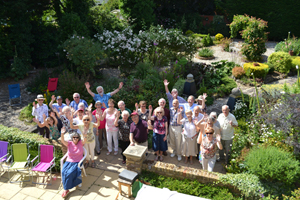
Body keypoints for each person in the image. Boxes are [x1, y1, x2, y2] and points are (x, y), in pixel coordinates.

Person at [60, 131, 87, 198]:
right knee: (63, 172)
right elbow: (62, 140)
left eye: (77, 137)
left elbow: (85, 139)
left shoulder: (80, 143)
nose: (75, 138)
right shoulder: (69, 143)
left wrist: (84, 134)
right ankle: (66, 186)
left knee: (69, 173)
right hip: (69, 161)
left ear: (78, 138)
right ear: (72, 138)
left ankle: (66, 189)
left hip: (77, 162)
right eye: (74, 137)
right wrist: (62, 133)